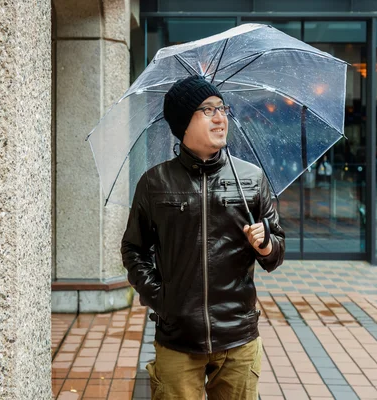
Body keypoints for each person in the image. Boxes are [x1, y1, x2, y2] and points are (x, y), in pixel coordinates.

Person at [121, 75, 285, 400]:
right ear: (184, 123)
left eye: (222, 108)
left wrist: (265, 244)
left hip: (238, 337)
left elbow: (275, 253)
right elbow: (133, 249)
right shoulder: (155, 183)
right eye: (207, 110)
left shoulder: (250, 179)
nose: (220, 117)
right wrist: (161, 297)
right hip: (178, 340)